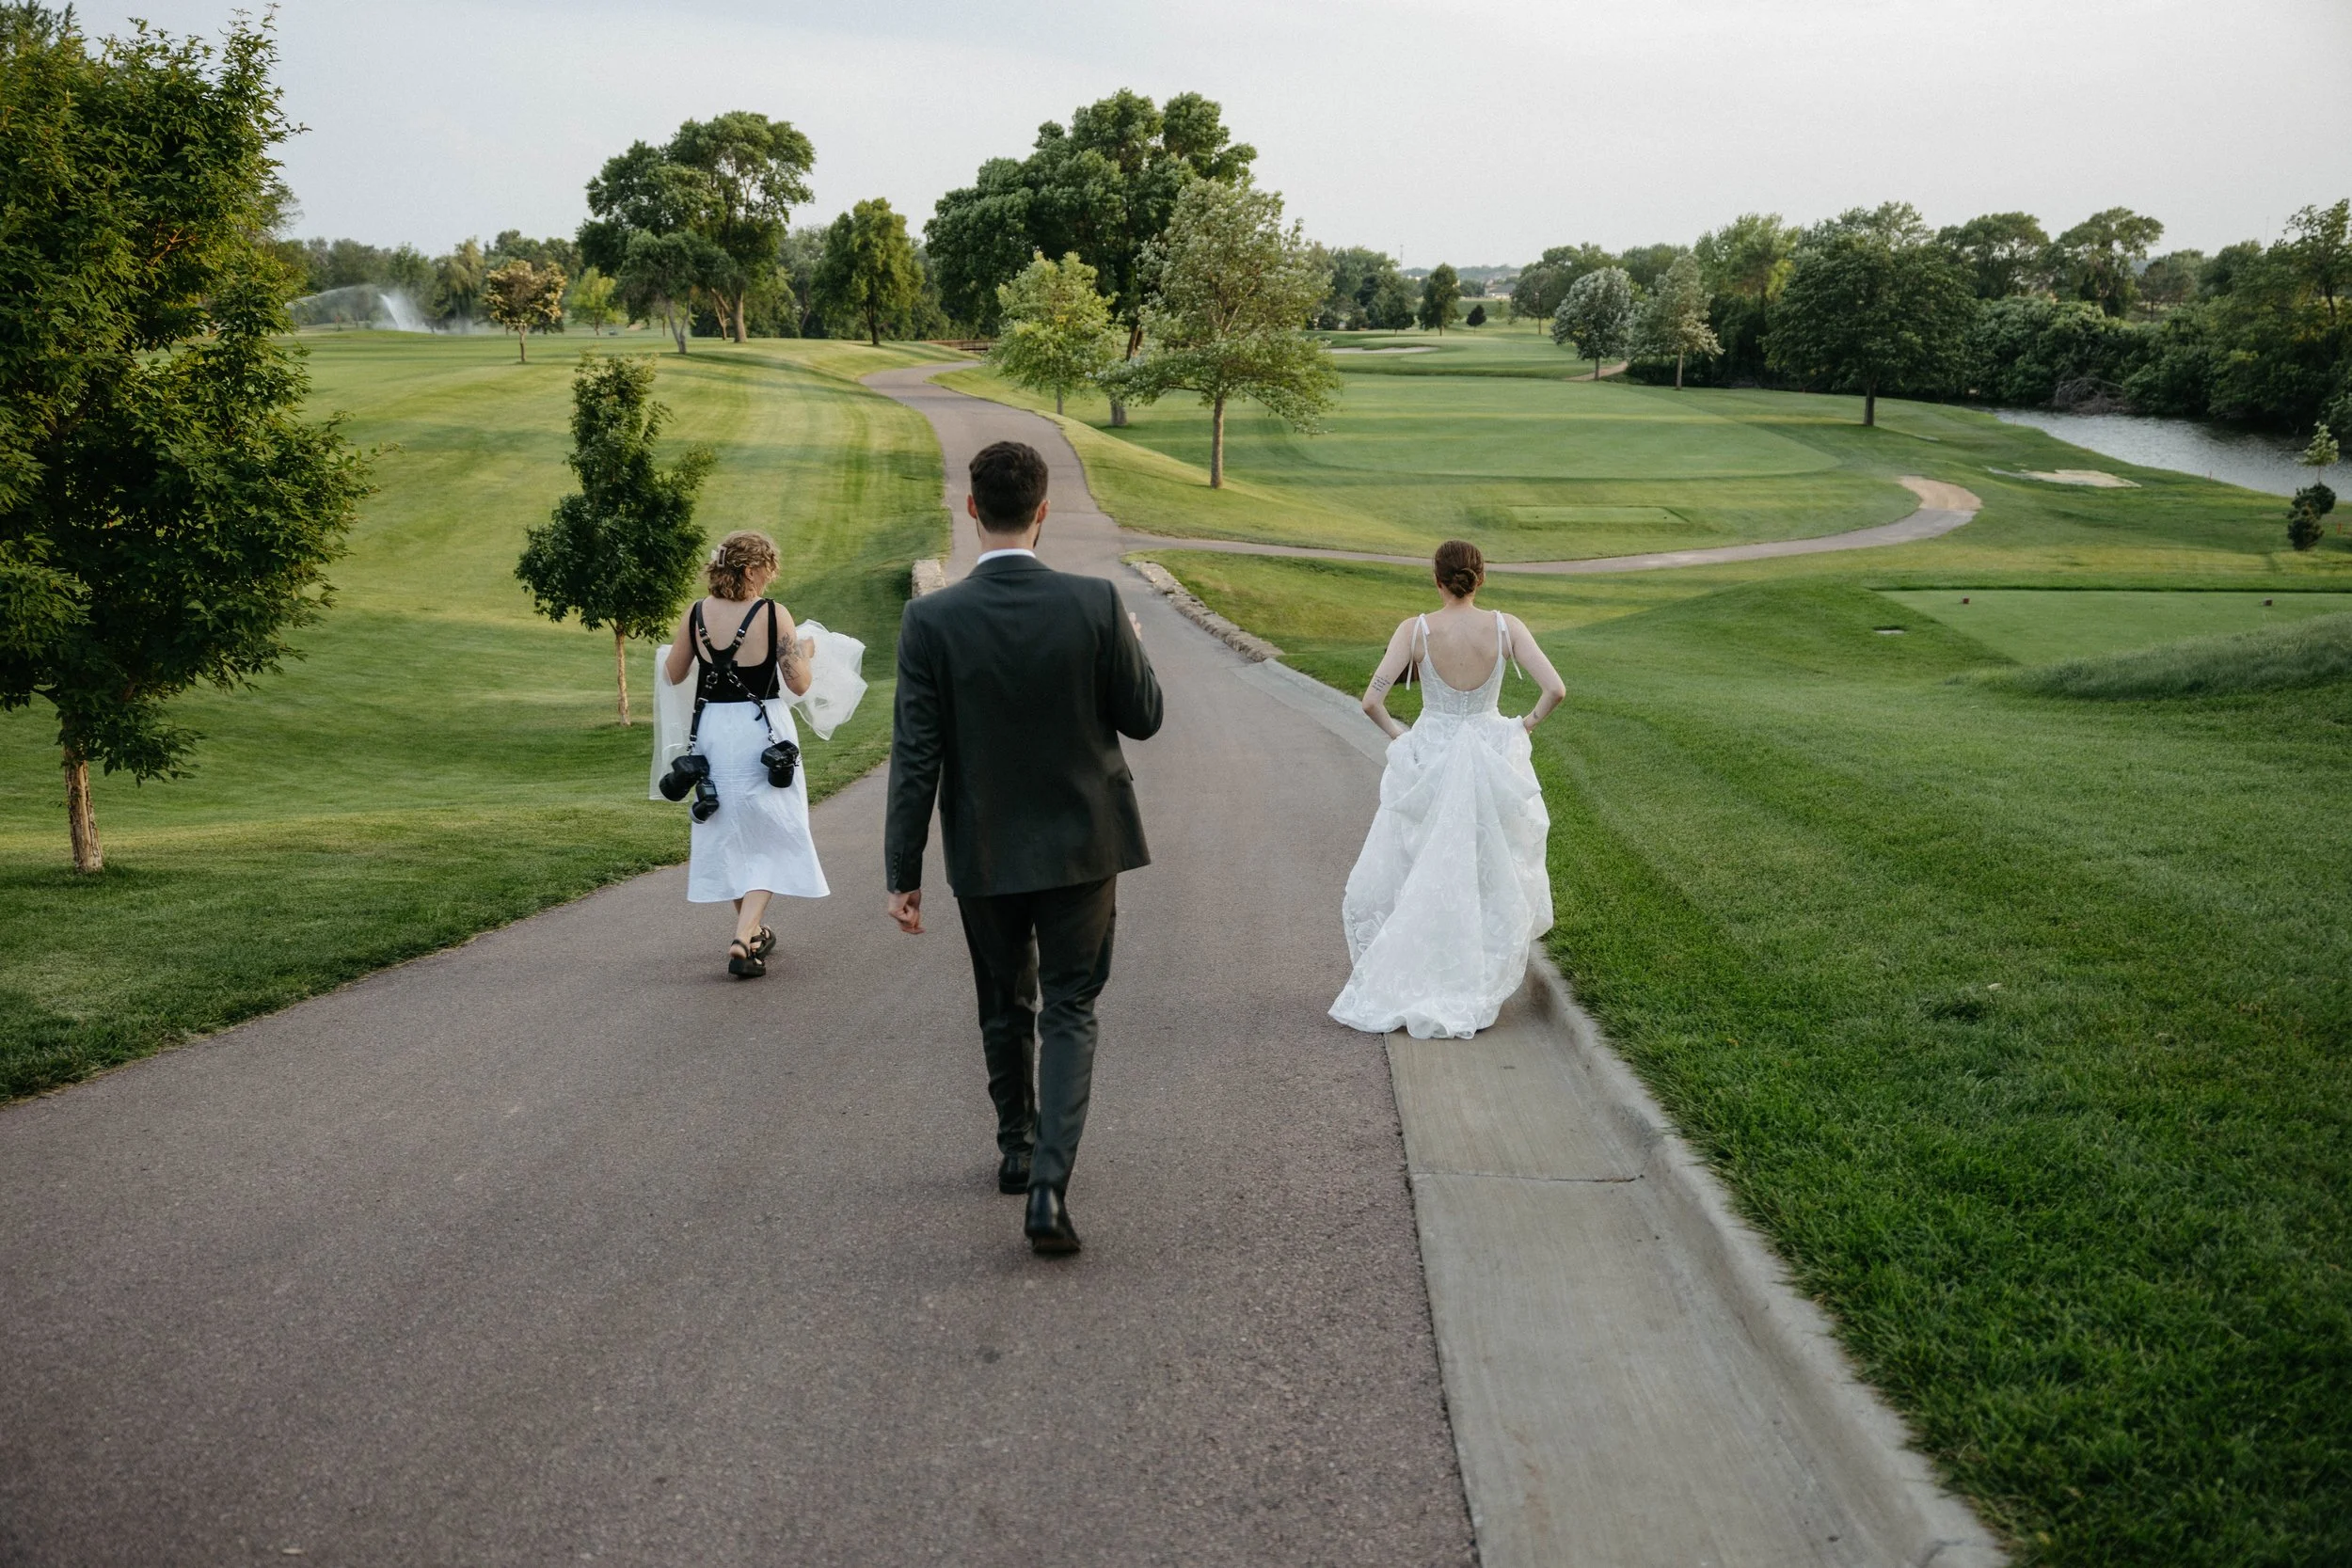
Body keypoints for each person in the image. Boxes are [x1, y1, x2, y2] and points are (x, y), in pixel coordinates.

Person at [884, 440, 1164, 1256]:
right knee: (1072, 1005)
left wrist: (904, 873)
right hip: (1085, 843)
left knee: (1004, 1001)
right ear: (1045, 510)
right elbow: (1144, 717)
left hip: (987, 846)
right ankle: (1048, 1181)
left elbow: (916, 755)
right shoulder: (1097, 604)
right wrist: (1130, 644)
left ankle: (1015, 1144)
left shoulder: (930, 619)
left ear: (973, 510)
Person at [1330, 539, 1566, 1039]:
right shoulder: (1506, 628)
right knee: (1482, 870)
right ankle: (1471, 976)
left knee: (1420, 866)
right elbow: (1556, 690)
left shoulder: (1414, 630)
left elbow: (1371, 701)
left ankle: (1419, 972)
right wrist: (1522, 726)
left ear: (1436, 579)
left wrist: (1403, 735)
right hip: (1487, 752)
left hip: (1432, 752)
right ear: (1480, 579)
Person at [660, 530, 826, 979]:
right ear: (752, 570)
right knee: (774, 830)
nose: (770, 579)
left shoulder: (695, 612)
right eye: (768, 569)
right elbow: (799, 684)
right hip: (763, 735)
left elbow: (673, 673)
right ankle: (742, 936)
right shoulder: (775, 615)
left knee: (730, 830)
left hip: (713, 732)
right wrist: (805, 652)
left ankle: (752, 933)